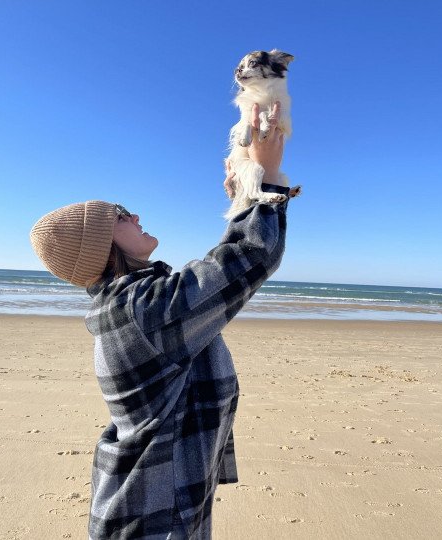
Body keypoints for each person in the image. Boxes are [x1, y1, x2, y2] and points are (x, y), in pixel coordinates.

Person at [30, 102, 294, 539]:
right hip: (154, 515)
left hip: (152, 499)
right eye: (118, 214)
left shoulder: (132, 305)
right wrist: (264, 181)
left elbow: (207, 282)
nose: (134, 215)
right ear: (99, 244)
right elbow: (247, 258)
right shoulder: (140, 310)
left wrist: (243, 198)